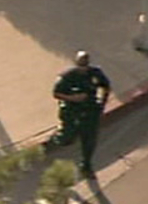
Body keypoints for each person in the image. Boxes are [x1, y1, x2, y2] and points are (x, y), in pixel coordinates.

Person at [45, 50, 111, 179]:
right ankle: (55, 139)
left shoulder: (95, 73)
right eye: (80, 66)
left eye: (85, 66)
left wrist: (102, 103)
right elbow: (56, 93)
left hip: (90, 110)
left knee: (90, 140)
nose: (83, 69)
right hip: (72, 111)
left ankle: (86, 165)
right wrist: (73, 98)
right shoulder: (67, 77)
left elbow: (106, 86)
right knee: (67, 139)